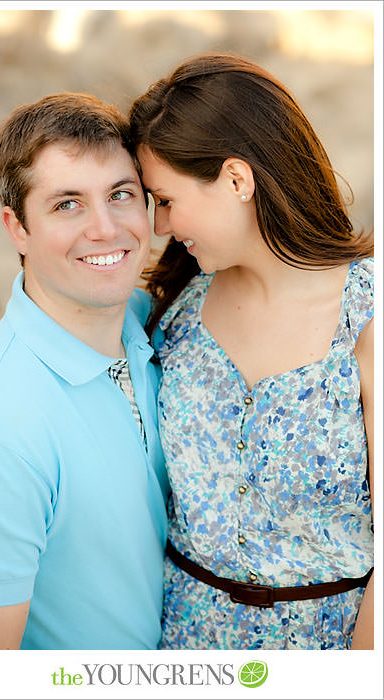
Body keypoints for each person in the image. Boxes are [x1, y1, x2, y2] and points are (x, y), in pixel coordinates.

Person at [129, 53, 374, 650]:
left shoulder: (365, 315)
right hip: (180, 647)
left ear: (238, 180)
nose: (159, 226)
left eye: (166, 199)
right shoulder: (176, 310)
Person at [0, 93, 170, 650]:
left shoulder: (161, 327)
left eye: (121, 195)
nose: (105, 228)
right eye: (67, 204)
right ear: (16, 228)